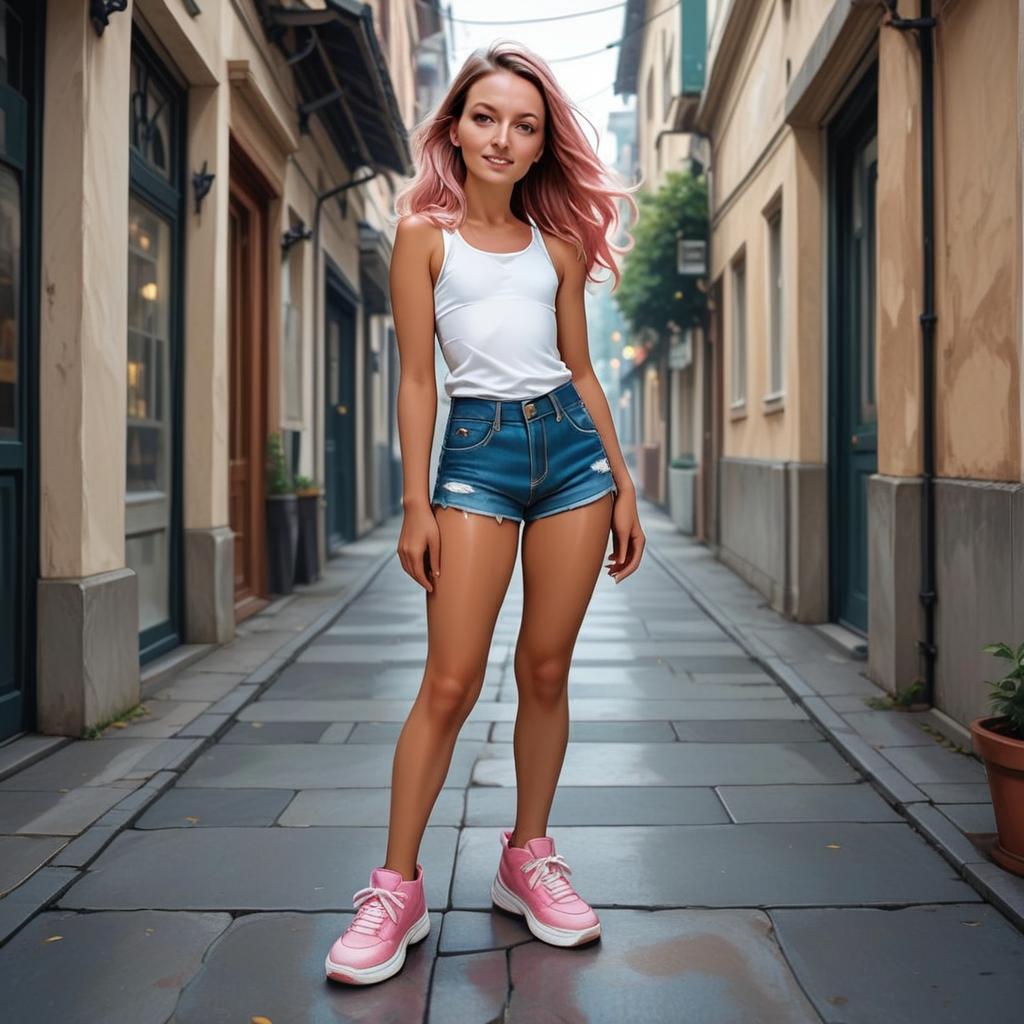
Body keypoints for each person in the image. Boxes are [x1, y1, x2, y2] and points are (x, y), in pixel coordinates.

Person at [325, 39, 644, 987]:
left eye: (526, 124)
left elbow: (581, 370)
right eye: (486, 118)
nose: (504, 138)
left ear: (544, 143)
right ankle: (396, 889)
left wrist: (623, 483)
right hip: (476, 458)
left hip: (572, 458)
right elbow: (418, 379)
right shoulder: (424, 235)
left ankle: (527, 857)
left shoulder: (560, 244)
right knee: (451, 680)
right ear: (455, 128)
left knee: (546, 666)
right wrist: (414, 502)